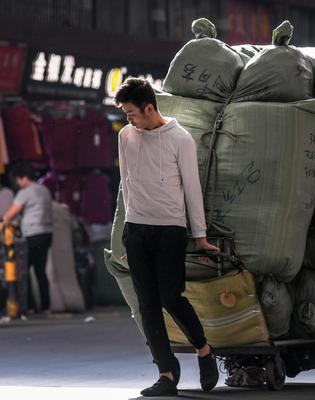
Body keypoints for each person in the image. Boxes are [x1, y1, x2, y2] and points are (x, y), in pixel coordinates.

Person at [115, 77, 220, 396]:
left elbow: (192, 190)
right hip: (136, 230)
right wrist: (123, 235)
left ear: (149, 108)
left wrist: (199, 236)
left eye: (131, 112)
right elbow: (126, 184)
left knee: (169, 297)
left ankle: (204, 349)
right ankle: (167, 373)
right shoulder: (125, 136)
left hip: (170, 230)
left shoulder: (180, 139)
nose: (128, 119)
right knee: (147, 304)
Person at [1, 162, 53, 313]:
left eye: (18, 180)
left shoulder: (25, 192)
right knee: (40, 270)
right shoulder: (44, 190)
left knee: (23, 270)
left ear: (23, 178)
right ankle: (45, 306)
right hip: (47, 234)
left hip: (32, 234)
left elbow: (10, 214)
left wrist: (3, 223)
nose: (17, 183)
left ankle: (28, 306)